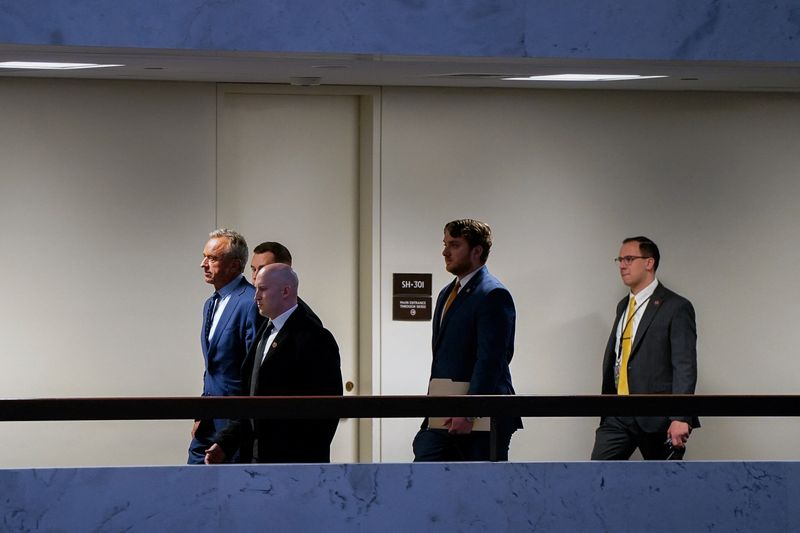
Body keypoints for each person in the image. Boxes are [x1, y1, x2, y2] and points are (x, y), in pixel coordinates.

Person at [205, 263, 343, 464]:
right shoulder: (265, 332)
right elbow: (250, 398)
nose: (256, 296)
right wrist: (225, 443)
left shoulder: (314, 337)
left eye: (263, 289)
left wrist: (301, 461)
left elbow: (327, 410)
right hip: (255, 459)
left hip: (292, 464)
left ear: (285, 291)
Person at [412, 219, 521, 462]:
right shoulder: (446, 293)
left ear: (477, 250)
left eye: (454, 244)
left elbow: (491, 360)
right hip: (446, 411)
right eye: (445, 244)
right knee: (426, 475)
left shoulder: (493, 294)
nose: (445, 252)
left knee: (480, 491)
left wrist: (469, 412)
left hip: (478, 417)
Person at [591, 236, 699, 460]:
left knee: (664, 486)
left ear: (649, 263)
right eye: (620, 259)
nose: (622, 265)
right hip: (617, 414)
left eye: (629, 258)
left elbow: (684, 364)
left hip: (657, 417)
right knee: (597, 478)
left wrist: (681, 416)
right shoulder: (623, 306)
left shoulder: (676, 307)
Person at [188, 229, 262, 464]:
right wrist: (201, 412)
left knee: (231, 491)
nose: (203, 264)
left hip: (235, 421)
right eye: (204, 256)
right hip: (208, 417)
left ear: (234, 265)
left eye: (212, 258)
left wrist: (240, 424)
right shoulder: (210, 303)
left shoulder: (250, 302)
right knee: (194, 485)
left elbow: (253, 369)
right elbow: (212, 365)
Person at [249, 241, 322, 325]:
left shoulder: (308, 323)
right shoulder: (255, 308)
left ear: (284, 270)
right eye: (254, 269)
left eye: (263, 269)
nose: (256, 276)